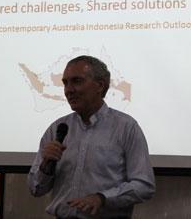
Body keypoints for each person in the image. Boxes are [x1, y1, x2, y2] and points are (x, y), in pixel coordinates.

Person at [28, 55, 155, 219]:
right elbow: (36, 189)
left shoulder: (126, 127)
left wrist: (102, 198)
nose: (69, 90)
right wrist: (45, 166)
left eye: (77, 81)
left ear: (100, 85)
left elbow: (144, 185)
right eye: (65, 83)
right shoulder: (57, 129)